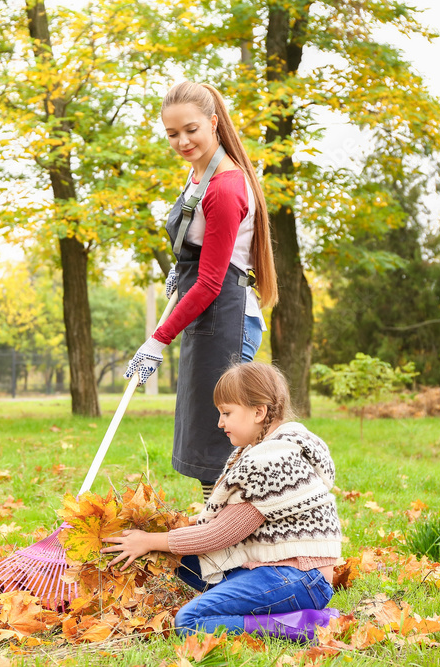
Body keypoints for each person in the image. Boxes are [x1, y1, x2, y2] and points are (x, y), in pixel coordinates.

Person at [102, 363, 341, 636]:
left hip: (301, 579)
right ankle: (262, 605)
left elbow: (221, 534)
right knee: (173, 554)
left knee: (189, 621)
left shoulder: (272, 460)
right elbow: (227, 521)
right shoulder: (261, 449)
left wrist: (148, 540)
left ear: (258, 412)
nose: (220, 423)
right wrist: (162, 531)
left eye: (227, 413)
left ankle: (306, 625)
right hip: (277, 570)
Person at [124, 80, 278, 502]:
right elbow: (201, 252)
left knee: (223, 441)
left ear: (213, 122)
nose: (182, 141)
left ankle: (232, 539)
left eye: (191, 130)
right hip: (206, 312)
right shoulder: (198, 174)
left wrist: (157, 341)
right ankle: (214, 535)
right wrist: (181, 268)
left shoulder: (225, 187)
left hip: (225, 315)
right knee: (205, 433)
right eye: (172, 133)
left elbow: (212, 280)